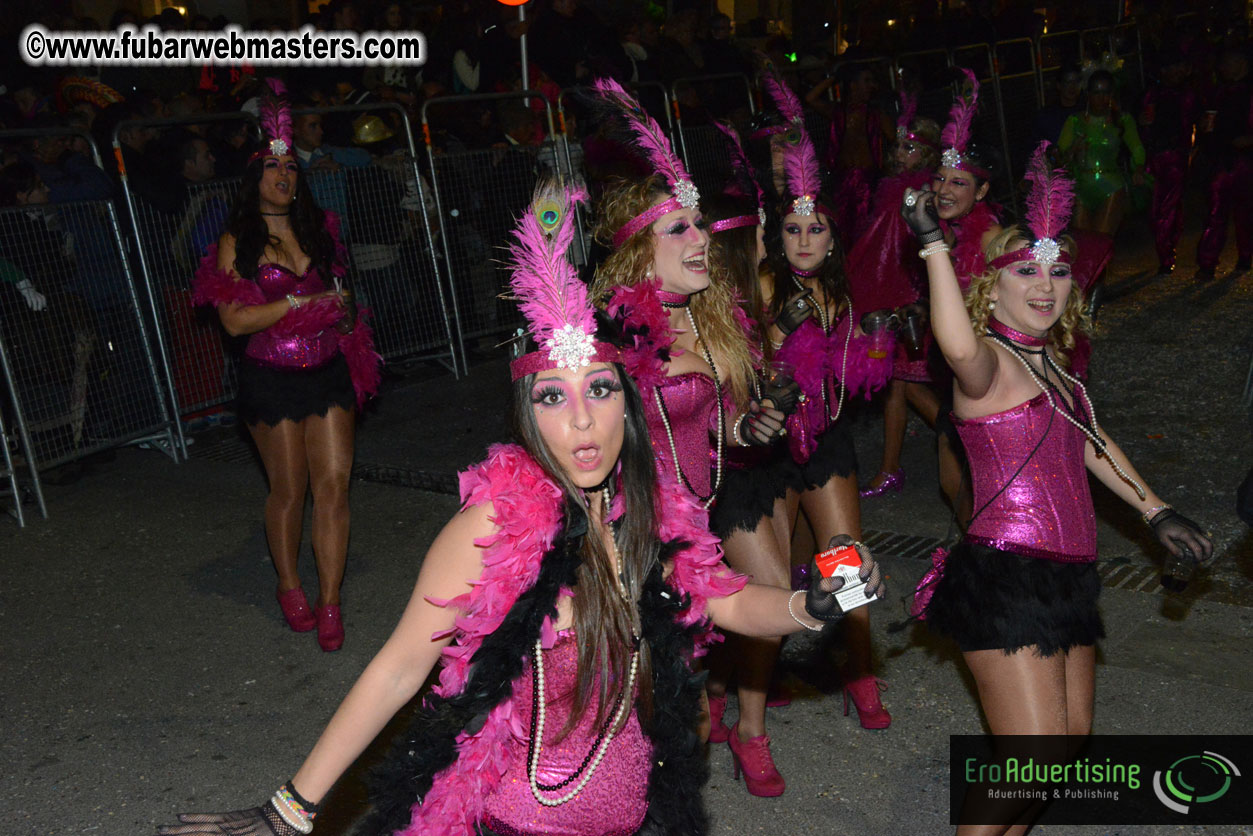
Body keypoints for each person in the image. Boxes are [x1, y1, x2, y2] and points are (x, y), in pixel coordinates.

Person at [155, 179, 885, 836]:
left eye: (600, 391)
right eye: (552, 397)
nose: (582, 421)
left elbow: (726, 601)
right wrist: (291, 809)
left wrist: (813, 604)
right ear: (527, 416)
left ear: (628, 405)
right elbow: (401, 666)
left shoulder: (653, 513)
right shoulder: (494, 526)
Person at [901, 147, 1212, 834]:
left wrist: (1155, 511)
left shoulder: (1057, 372)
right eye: (1025, 271)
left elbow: (1092, 443)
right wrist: (932, 247)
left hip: (1068, 577)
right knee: (1031, 757)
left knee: (1063, 750)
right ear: (990, 288)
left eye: (1058, 271)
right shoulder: (988, 364)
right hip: (1005, 579)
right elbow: (955, 346)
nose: (1045, 285)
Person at [189, 81, 382, 653]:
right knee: (290, 491)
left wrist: (344, 313)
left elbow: (342, 305)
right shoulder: (237, 241)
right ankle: (289, 584)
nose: (284, 175)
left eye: (292, 167)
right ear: (256, 177)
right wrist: (300, 303)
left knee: (335, 486)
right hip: (270, 378)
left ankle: (331, 600)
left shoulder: (317, 231)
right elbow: (234, 322)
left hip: (327, 371)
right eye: (273, 167)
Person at [763, 95, 893, 749]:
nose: (805, 240)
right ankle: (765, 674)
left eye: (815, 229)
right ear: (779, 235)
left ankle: (860, 673)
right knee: (775, 570)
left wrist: (877, 343)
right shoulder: (765, 285)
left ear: (833, 236)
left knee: (845, 558)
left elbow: (859, 373)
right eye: (793, 229)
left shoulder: (841, 290)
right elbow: (743, 369)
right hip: (769, 448)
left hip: (827, 438)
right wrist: (771, 331)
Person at [849, 92, 944, 499]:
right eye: (898, 146)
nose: (899, 153)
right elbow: (880, 248)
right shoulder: (894, 189)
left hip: (907, 300)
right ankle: (890, 468)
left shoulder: (911, 194)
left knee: (905, 384)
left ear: (927, 154)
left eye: (910, 147)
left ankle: (969, 440)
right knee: (897, 385)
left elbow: (895, 252)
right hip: (899, 298)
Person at [924, 70, 1003, 526]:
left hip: (989, 376)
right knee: (952, 481)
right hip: (958, 374)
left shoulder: (991, 239)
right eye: (940, 179)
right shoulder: (944, 235)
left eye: (959, 182)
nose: (944, 190)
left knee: (973, 484)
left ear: (983, 190)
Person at [1058, 69, 1146, 238]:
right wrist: (1073, 150)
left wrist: (1139, 169)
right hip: (1080, 186)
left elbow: (1137, 148)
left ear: (1112, 95)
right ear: (1088, 94)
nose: (1101, 98)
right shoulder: (1074, 121)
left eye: (1106, 93)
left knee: (1102, 241)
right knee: (1084, 243)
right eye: (1096, 93)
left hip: (1110, 185)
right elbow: (1058, 156)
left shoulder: (1123, 120)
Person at [1193, 45, 1253, 281]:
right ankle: (1207, 263)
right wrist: (1203, 129)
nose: (1224, 67)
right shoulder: (1218, 91)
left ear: (1242, 63)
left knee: (1245, 212)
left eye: (1229, 62)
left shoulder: (1247, 91)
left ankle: (1245, 256)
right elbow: (1208, 123)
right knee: (1216, 211)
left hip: (1245, 160)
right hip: (1220, 159)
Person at [1139, 50, 1199, 278]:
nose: (1175, 72)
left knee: (1167, 207)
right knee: (1160, 209)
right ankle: (1167, 249)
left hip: (1177, 157)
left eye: (1178, 67)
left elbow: (1198, 122)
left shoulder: (1189, 94)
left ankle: (1166, 256)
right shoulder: (1152, 94)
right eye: (1170, 67)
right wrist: (1141, 122)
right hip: (1154, 157)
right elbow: (1139, 126)